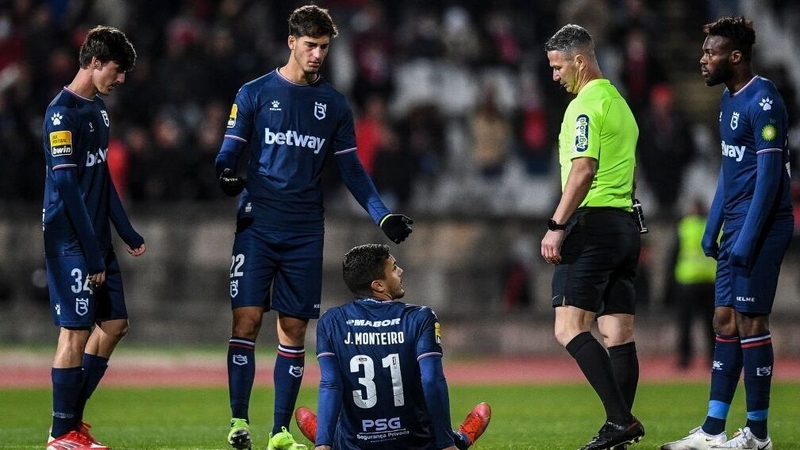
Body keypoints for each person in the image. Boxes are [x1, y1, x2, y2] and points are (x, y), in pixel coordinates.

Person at [214, 6, 413, 450]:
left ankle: (280, 431)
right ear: (291, 42)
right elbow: (228, 151)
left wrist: (382, 214)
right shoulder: (255, 93)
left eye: (324, 46)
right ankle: (238, 422)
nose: (318, 54)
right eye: (311, 45)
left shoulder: (335, 106)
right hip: (257, 225)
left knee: (294, 330)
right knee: (246, 321)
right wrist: (226, 172)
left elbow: (352, 171)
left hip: (305, 230)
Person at [661, 16, 792, 450]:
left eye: (710, 53)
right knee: (723, 319)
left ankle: (758, 434)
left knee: (752, 320)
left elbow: (771, 180)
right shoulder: (728, 102)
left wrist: (748, 238)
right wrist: (713, 227)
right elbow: (730, 173)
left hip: (763, 225)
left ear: (734, 57)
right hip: (735, 227)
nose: (702, 60)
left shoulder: (765, 100)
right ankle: (713, 429)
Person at [540, 24, 645, 450]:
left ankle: (621, 422)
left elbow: (583, 169)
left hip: (593, 225)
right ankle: (618, 431)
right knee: (617, 333)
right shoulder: (620, 103)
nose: (554, 76)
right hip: (625, 225)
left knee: (568, 328)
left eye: (557, 66)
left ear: (579, 61)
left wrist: (557, 225)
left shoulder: (585, 106)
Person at [42, 26, 146, 450]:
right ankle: (61, 434)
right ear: (96, 62)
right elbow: (67, 188)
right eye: (118, 71)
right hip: (69, 238)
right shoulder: (60, 114)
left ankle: (69, 421)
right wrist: (91, 254)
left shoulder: (99, 113)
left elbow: (100, 178)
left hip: (95, 238)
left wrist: (125, 231)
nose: (120, 80)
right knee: (76, 331)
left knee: (116, 325)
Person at [292, 243, 491, 449]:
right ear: (378, 285)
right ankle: (460, 438)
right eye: (394, 268)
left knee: (338, 435)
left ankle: (325, 438)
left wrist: (322, 445)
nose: (401, 271)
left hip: (357, 444)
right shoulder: (421, 317)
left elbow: (331, 384)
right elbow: (431, 381)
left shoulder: (331, 320)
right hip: (417, 442)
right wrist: (446, 444)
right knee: (440, 436)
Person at [667, 198, 717, 369]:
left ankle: (684, 359)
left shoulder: (684, 227)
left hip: (687, 281)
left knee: (685, 324)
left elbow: (674, 255)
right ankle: (713, 358)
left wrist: (670, 284)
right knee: (711, 324)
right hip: (709, 281)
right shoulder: (713, 227)